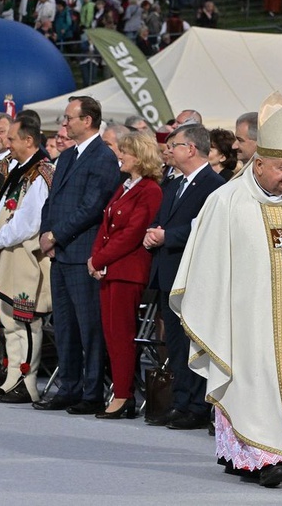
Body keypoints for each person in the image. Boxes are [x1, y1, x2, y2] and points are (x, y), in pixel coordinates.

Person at [169, 92, 282, 488]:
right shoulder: (227, 201)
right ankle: (254, 457)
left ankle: (271, 457)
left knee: (280, 383)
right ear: (259, 161)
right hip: (244, 320)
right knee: (251, 382)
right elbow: (208, 266)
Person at [34, 96, 121, 414]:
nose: (64, 123)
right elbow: (52, 200)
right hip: (60, 253)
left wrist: (58, 234)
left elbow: (93, 205)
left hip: (82, 251)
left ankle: (92, 390)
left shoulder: (103, 157)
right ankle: (68, 387)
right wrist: (46, 232)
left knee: (89, 326)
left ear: (88, 120)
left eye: (69, 118)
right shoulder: (69, 156)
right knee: (66, 326)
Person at [143, 124, 225, 429]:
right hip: (168, 271)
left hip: (191, 274)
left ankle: (195, 405)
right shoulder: (176, 183)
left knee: (192, 341)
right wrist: (153, 233)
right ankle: (179, 400)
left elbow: (203, 226)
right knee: (175, 343)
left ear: (190, 148)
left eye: (174, 144)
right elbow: (163, 218)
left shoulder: (212, 185)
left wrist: (168, 236)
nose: (168, 150)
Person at [0, 116, 54, 404]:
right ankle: (12, 378)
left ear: (28, 141)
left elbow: (29, 220)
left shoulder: (43, 172)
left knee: (26, 319)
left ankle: (28, 380)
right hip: (7, 256)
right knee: (9, 322)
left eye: (11, 138)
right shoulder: (20, 170)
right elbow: (0, 211)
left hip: (24, 257)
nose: (6, 143)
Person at [88, 132, 162, 419]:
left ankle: (123, 395)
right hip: (111, 269)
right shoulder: (126, 186)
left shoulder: (150, 190)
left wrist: (100, 258)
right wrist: (96, 257)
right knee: (111, 333)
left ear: (140, 157)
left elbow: (132, 233)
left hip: (128, 270)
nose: (120, 156)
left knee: (121, 334)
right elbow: (106, 224)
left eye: (126, 152)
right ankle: (121, 392)